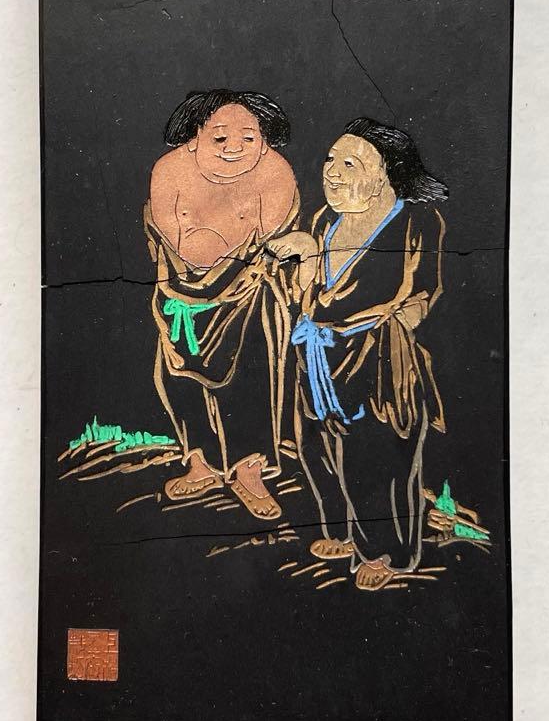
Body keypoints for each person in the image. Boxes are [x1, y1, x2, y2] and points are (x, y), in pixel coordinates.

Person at [269, 118, 447, 590]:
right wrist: (306, 259)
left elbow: (409, 291)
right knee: (318, 444)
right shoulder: (323, 223)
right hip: (318, 354)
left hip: (377, 354)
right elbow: (306, 295)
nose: (331, 171)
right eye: (331, 160)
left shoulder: (414, 221)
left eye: (350, 163)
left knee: (378, 453)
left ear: (385, 174)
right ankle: (339, 530)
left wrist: (391, 327)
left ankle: (386, 551)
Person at [147, 89, 299, 520]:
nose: (234, 147)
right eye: (220, 137)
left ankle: (248, 469)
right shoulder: (168, 170)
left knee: (251, 378)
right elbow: (170, 233)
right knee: (181, 379)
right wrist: (195, 268)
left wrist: (229, 265)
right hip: (180, 293)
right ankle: (201, 463)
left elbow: (269, 239)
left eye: (249, 138)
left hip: (246, 296)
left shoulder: (277, 173)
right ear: (194, 137)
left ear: (264, 143)